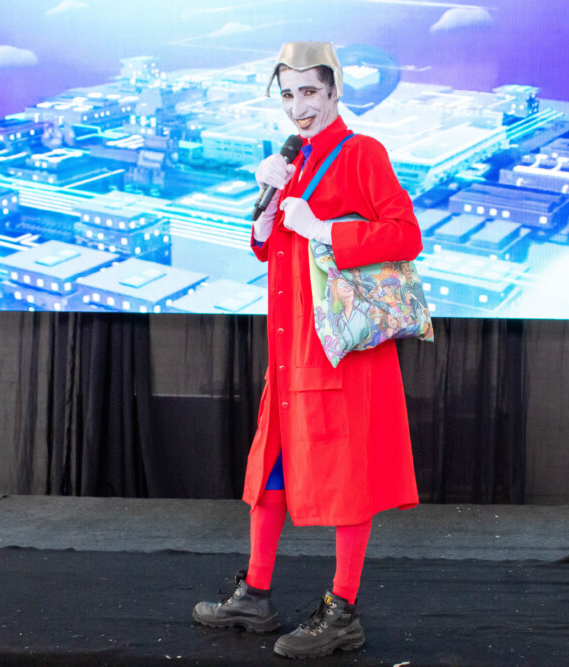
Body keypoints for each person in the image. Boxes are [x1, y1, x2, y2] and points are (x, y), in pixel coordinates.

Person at [193, 41, 423, 660]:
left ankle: (341, 612)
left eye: (311, 93)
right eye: (289, 94)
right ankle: (255, 594)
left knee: (350, 478)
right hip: (290, 350)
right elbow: (273, 252)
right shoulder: (292, 160)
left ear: (335, 91)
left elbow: (406, 235)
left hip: (340, 354)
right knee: (269, 471)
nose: (299, 107)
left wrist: (323, 228)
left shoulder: (362, 152)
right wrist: (265, 215)